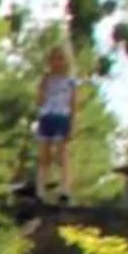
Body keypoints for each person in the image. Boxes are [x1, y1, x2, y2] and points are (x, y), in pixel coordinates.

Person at [33, 46, 81, 203]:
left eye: (60, 58)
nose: (57, 62)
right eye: (54, 59)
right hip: (47, 115)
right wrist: (41, 85)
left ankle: (65, 188)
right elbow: (39, 101)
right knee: (44, 154)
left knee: (62, 152)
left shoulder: (70, 81)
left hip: (62, 116)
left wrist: (73, 123)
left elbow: (73, 103)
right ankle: (41, 189)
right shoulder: (47, 80)